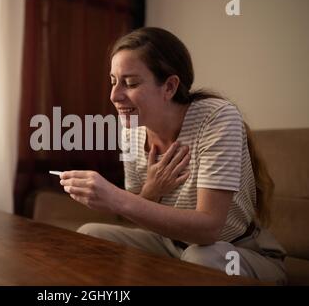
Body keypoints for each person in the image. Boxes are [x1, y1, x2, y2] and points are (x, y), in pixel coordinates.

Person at [59, 27, 287, 284]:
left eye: (130, 83)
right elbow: (139, 209)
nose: (114, 95)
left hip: (235, 251)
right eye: (113, 81)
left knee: (201, 258)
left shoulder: (218, 118)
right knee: (90, 234)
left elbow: (209, 228)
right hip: (171, 244)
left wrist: (116, 198)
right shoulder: (131, 127)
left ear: (169, 86)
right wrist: (151, 190)